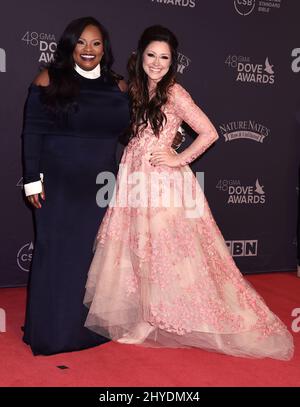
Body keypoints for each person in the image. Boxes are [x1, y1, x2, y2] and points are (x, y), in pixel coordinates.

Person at [83, 26, 294, 360]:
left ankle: (154, 321)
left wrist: (177, 157)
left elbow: (209, 133)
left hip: (163, 183)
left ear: (172, 61)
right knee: (137, 249)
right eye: (151, 55)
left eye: (164, 57)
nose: (156, 63)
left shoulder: (175, 93)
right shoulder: (136, 89)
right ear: (140, 56)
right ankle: (144, 317)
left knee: (162, 253)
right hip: (134, 180)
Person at [22, 17, 130, 355]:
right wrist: (30, 180)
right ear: (69, 45)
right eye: (81, 42)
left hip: (101, 184)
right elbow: (32, 133)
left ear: (105, 49)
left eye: (96, 43)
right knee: (56, 255)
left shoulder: (118, 86)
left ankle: (88, 330)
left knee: (92, 258)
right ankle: (50, 332)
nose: (88, 50)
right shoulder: (49, 79)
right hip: (58, 184)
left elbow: (130, 134)